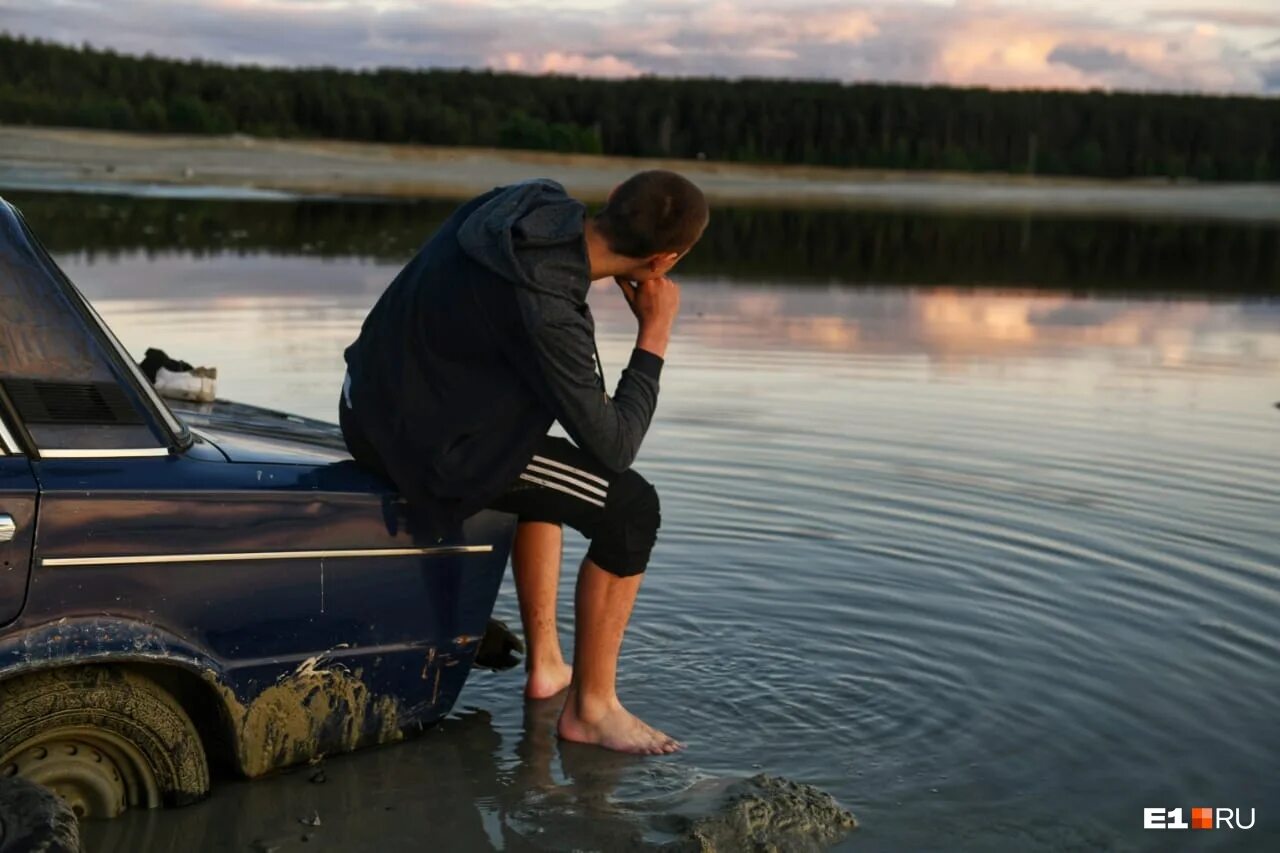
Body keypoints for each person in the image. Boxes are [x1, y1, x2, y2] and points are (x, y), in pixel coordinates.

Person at [339, 170, 708, 754]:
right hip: (425, 449)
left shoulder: (523, 202)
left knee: (543, 449)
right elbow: (614, 446)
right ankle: (592, 709)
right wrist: (655, 336)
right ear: (664, 260)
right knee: (632, 509)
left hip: (366, 399)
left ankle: (549, 665)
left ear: (611, 195)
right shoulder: (548, 307)